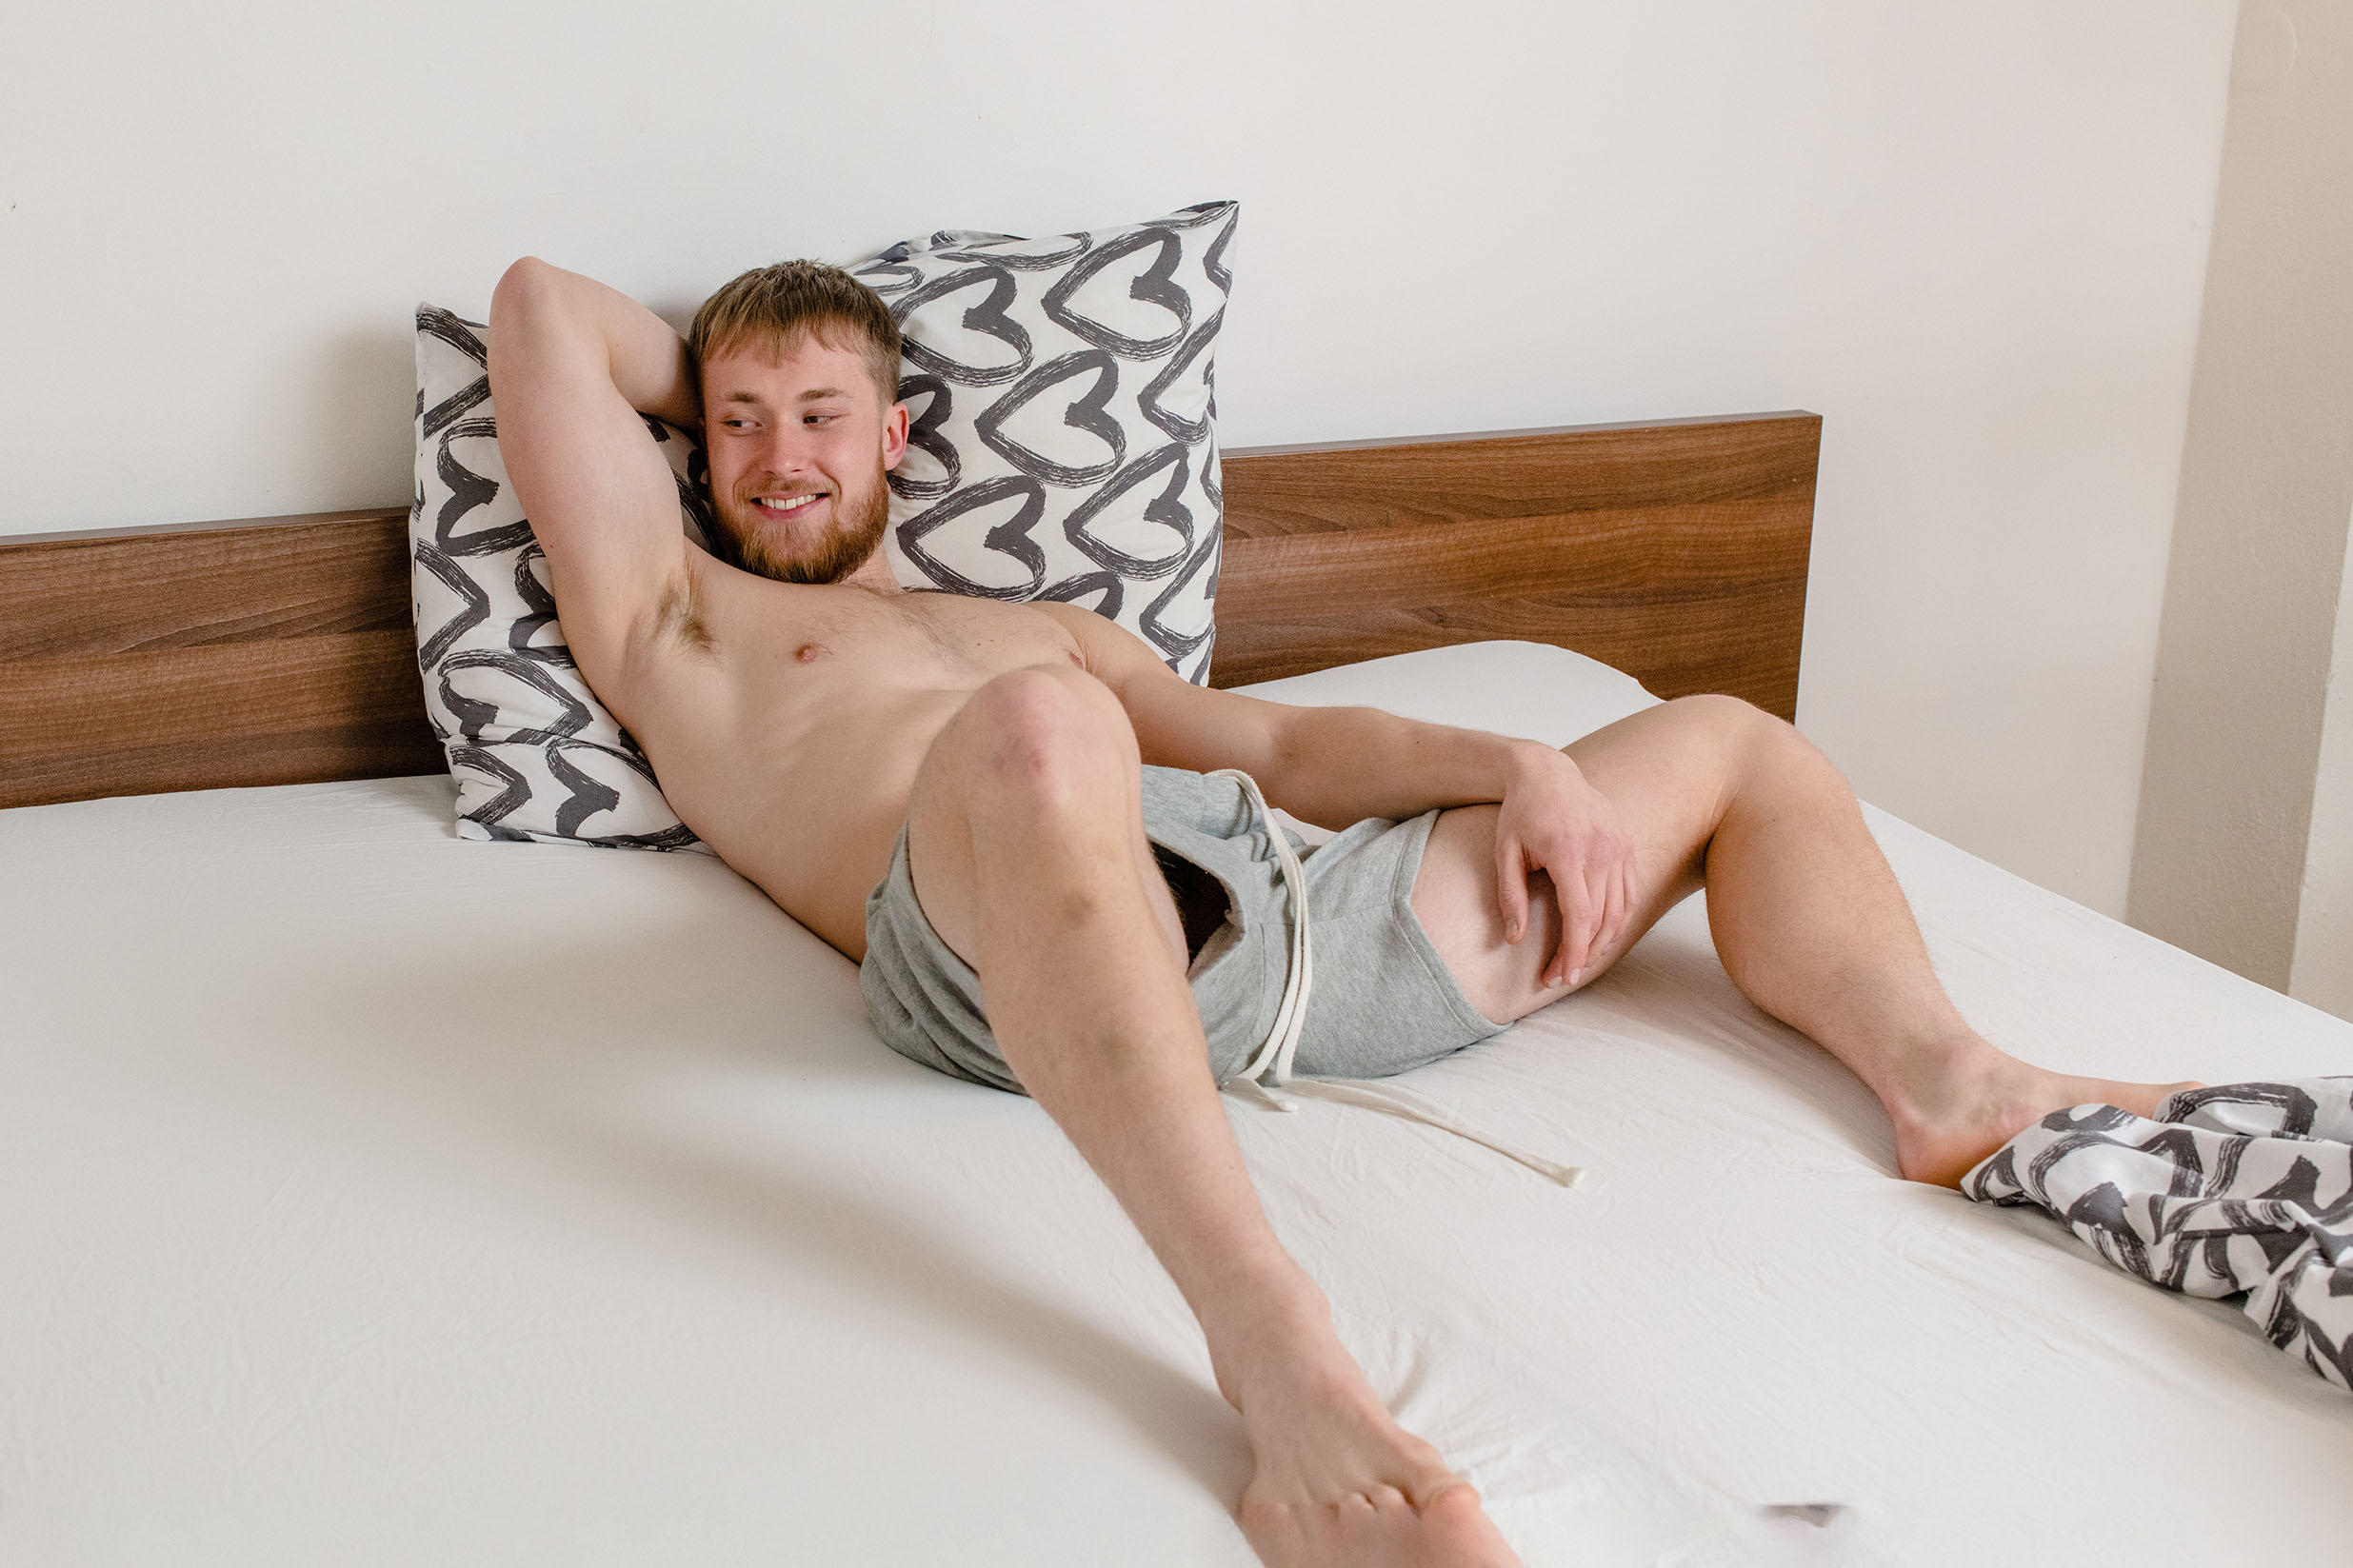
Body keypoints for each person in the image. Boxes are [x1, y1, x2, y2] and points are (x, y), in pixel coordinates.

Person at [488, 254, 2190, 1568]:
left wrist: (1521, 761)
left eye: (821, 417)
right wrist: (744, 359)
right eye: (738, 423)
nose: (778, 458)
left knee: (1731, 741)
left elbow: (1289, 751)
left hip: (1297, 928)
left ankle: (1955, 1085)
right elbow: (541, 311)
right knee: (1038, 735)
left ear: (897, 438)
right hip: (995, 950)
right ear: (690, 445)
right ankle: (1282, 1355)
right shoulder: (675, 618)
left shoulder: (1042, 628)